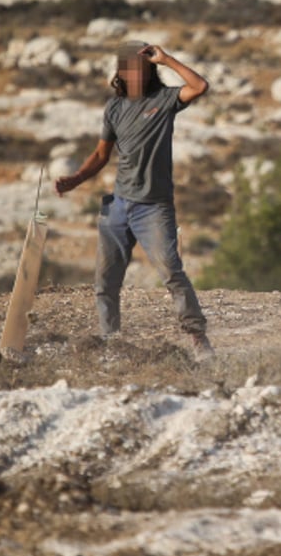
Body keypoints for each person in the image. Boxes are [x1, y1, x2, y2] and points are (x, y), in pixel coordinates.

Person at [55, 41, 215, 361]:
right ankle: (110, 343)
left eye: (141, 69)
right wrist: (75, 180)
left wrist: (167, 58)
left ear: (149, 71)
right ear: (121, 73)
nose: (135, 76)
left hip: (153, 207)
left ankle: (198, 339)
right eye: (129, 70)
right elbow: (102, 154)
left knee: (171, 271)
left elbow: (199, 86)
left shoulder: (165, 99)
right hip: (118, 205)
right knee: (105, 281)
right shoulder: (113, 109)